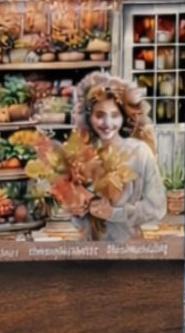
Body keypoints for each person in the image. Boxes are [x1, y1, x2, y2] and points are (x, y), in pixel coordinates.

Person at [68, 73, 166, 241]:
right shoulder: (82, 154)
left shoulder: (139, 152)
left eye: (114, 115)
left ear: (124, 117)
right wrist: (76, 210)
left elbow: (157, 207)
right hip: (90, 247)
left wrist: (113, 213)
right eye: (100, 115)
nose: (107, 123)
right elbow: (76, 220)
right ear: (89, 117)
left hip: (129, 246)